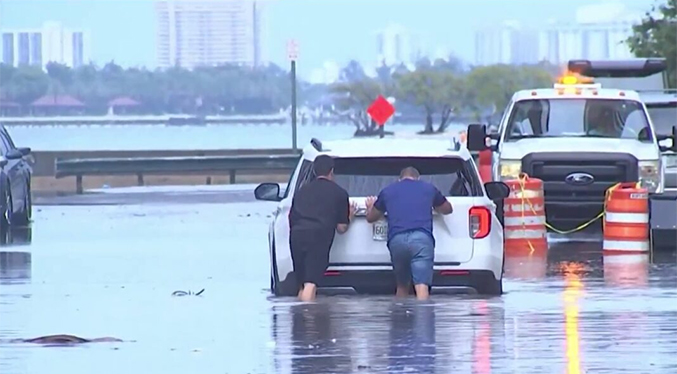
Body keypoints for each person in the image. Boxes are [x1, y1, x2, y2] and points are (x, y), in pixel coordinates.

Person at [365, 167, 453, 300]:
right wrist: (433, 204)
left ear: (399, 179)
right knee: (421, 286)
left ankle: (400, 316)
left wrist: (370, 207)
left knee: (401, 286)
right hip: (421, 239)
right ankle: (423, 318)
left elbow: (371, 217)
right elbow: (447, 209)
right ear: (418, 178)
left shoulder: (388, 191)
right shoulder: (428, 188)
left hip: (397, 240)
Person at [289, 155, 357, 301]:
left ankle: (298, 320)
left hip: (296, 236)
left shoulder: (302, 191)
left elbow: (291, 218)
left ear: (314, 171)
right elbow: (341, 228)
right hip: (318, 236)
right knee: (311, 283)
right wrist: (350, 216)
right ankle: (307, 318)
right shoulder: (339, 193)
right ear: (331, 171)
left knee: (302, 284)